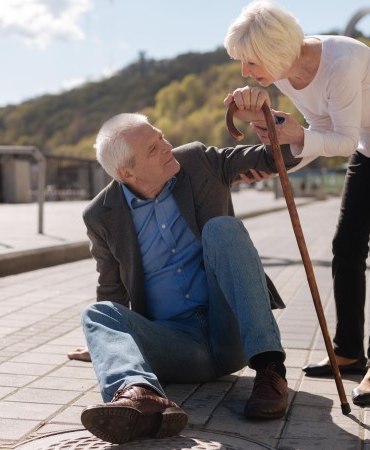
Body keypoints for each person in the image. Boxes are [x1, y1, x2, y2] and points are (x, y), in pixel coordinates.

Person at [223, 0, 370, 407]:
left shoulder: (340, 62)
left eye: (250, 61)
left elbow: (340, 142)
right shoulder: (286, 74)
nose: (245, 72)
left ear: (275, 50)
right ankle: (347, 351)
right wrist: (275, 164)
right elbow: (320, 130)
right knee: (346, 245)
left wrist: (295, 136)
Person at [77, 112, 301, 444]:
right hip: (175, 347)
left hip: (230, 333)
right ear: (127, 173)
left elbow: (275, 158)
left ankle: (270, 371)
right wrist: (106, 343)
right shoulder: (100, 214)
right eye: (153, 148)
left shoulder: (197, 161)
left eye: (161, 137)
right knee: (95, 314)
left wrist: (283, 132)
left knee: (223, 228)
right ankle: (141, 397)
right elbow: (111, 288)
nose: (167, 146)